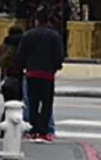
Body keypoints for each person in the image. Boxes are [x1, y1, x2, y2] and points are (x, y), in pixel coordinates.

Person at [17, 11, 64, 141]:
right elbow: (59, 55)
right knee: (46, 103)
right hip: (47, 74)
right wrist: (55, 67)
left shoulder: (28, 35)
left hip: (32, 73)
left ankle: (33, 130)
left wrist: (25, 67)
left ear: (36, 21)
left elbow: (20, 55)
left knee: (32, 102)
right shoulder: (54, 36)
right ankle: (44, 131)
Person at [0, 26, 24, 104]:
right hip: (20, 76)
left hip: (7, 77)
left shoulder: (4, 46)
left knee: (9, 104)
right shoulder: (23, 45)